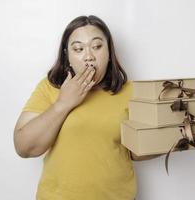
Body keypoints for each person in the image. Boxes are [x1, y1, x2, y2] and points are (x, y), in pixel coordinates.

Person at [13, 15, 161, 200]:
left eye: (97, 46)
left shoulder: (130, 91)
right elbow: (24, 147)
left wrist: (175, 138)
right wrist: (63, 103)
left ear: (109, 53)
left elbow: (135, 153)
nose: (89, 56)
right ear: (68, 56)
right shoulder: (49, 88)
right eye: (78, 48)